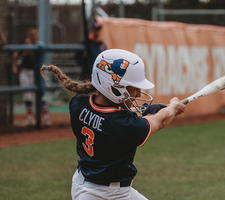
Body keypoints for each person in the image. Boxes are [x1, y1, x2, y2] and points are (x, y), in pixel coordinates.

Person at [41, 49, 186, 200]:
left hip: (97, 186)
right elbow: (159, 121)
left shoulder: (78, 103)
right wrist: (173, 107)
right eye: (134, 87)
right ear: (113, 87)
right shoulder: (125, 125)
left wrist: (154, 109)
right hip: (96, 194)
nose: (138, 93)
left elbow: (119, 115)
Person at [13, 28, 51, 126]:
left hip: (35, 73)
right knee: (28, 96)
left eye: (35, 34)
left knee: (41, 95)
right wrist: (15, 66)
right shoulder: (23, 46)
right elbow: (15, 55)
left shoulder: (38, 45)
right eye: (32, 34)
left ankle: (46, 118)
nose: (34, 36)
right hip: (25, 72)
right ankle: (30, 119)